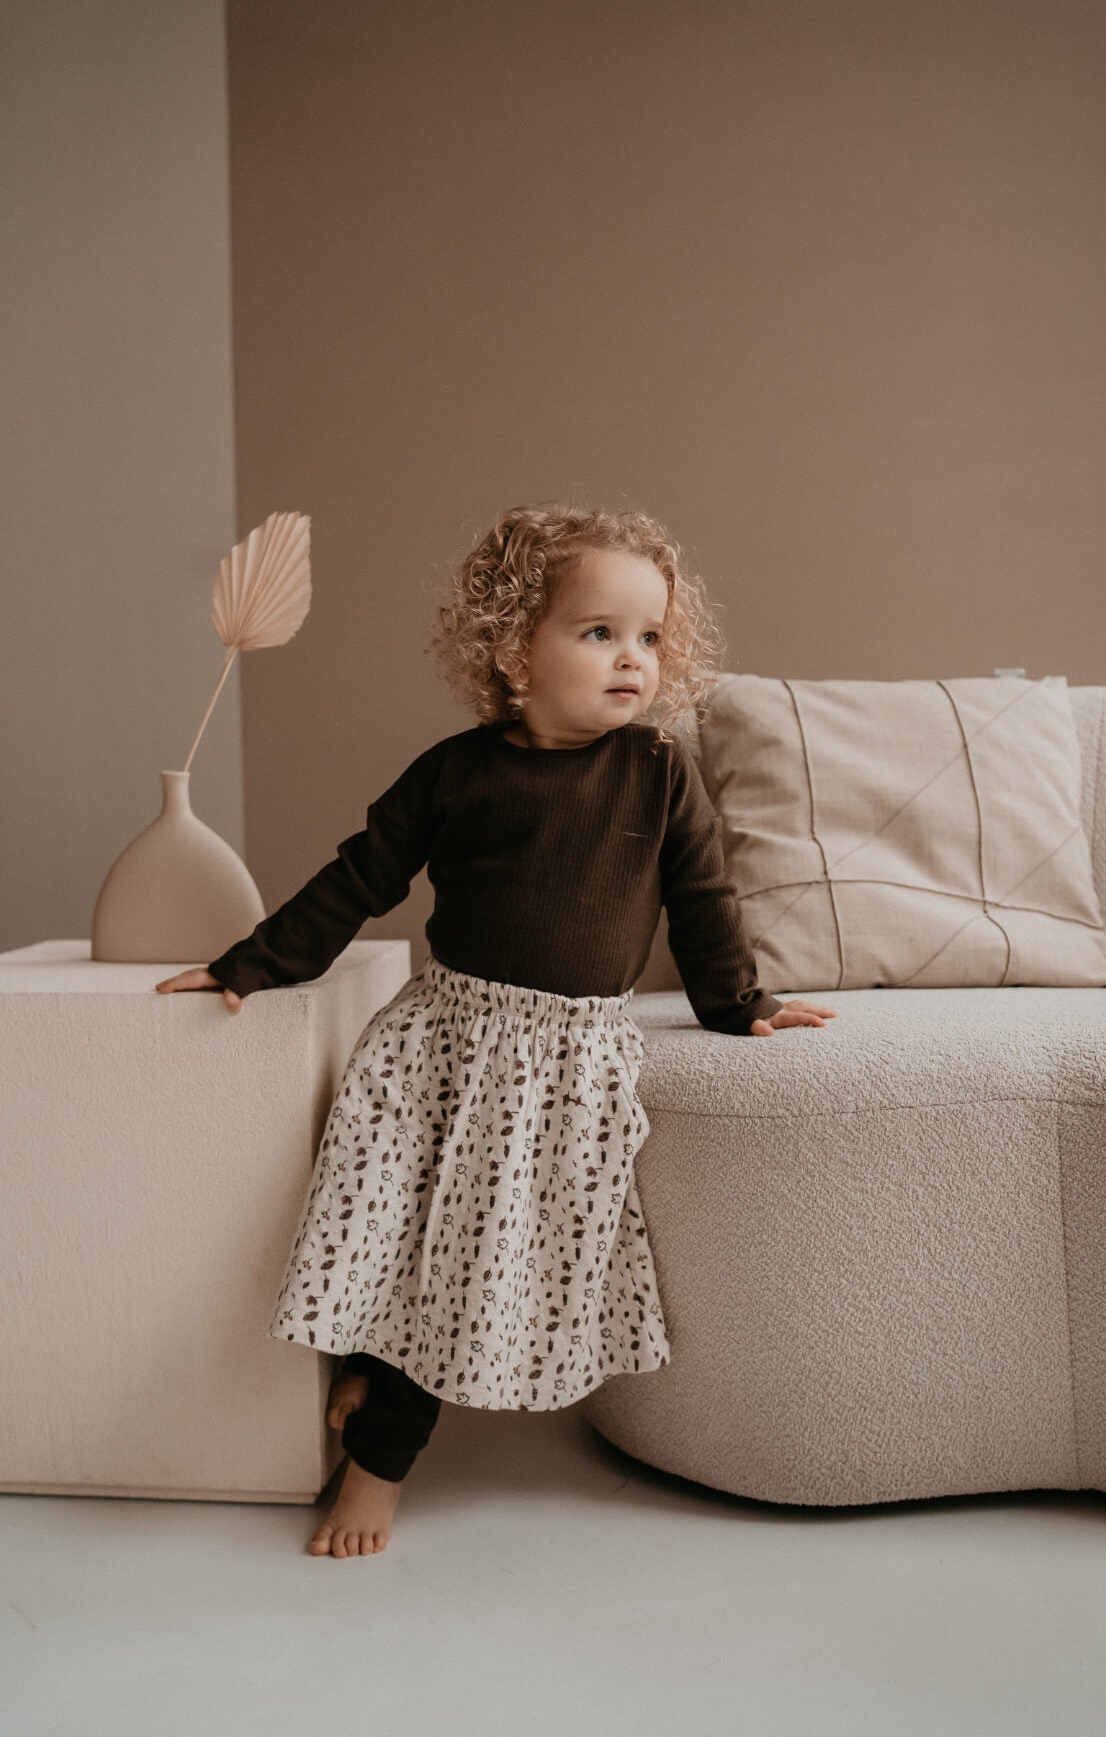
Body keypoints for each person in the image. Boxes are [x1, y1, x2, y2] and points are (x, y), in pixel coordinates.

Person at [155, 501, 836, 1560]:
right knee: (386, 1227)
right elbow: (359, 878)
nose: (633, 658)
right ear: (516, 649)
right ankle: (368, 1370)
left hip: (557, 1070)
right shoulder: (456, 773)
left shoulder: (658, 771)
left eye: (650, 637)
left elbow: (704, 902)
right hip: (440, 1044)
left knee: (467, 1258)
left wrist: (739, 1003)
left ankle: (378, 1461)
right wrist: (255, 962)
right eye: (599, 632)